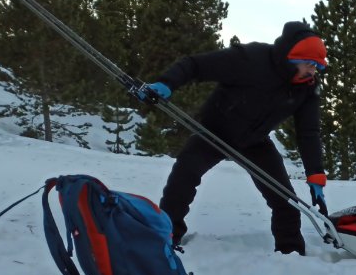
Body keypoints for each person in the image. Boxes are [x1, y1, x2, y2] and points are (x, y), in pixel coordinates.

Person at [137, 21, 329, 255]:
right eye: (309, 64)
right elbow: (195, 65)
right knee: (183, 177)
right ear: (292, 57)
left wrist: (315, 173)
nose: (313, 71)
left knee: (285, 200)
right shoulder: (251, 59)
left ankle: (291, 254)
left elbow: (308, 133)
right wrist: (167, 83)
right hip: (215, 131)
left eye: (317, 66)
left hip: (254, 141)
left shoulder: (306, 88)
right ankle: (166, 237)